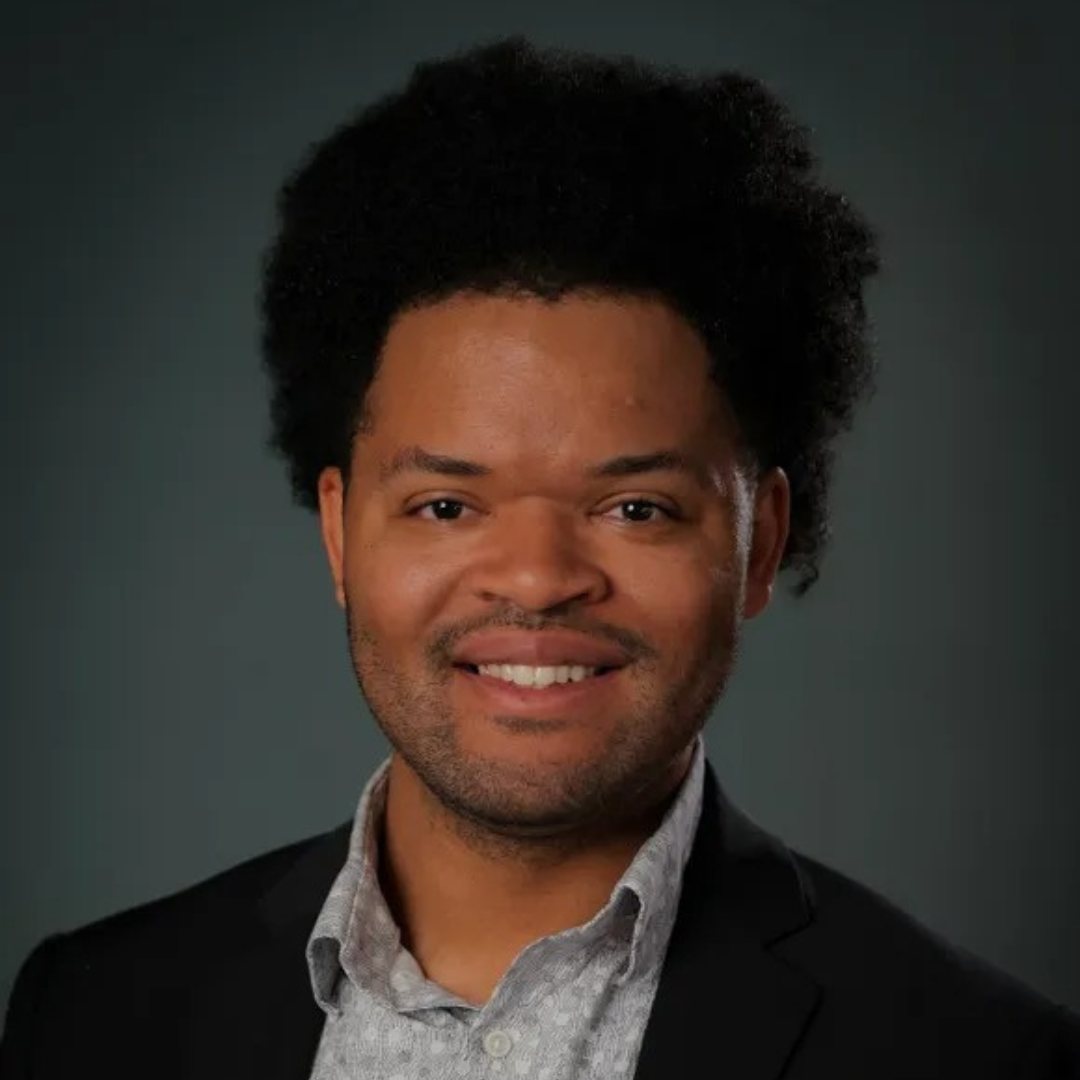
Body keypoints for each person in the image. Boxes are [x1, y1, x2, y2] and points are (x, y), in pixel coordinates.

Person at [1, 34, 1077, 1080]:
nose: (534, 577)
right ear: (337, 534)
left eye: (637, 507)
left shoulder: (978, 1055)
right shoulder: (93, 1014)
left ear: (761, 544)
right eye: (443, 505)